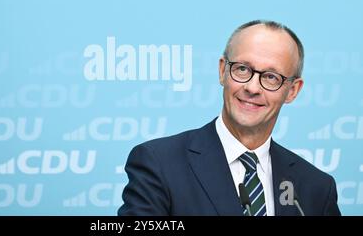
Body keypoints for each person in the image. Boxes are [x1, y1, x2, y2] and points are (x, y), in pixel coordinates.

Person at [118, 20, 341, 216]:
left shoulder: (317, 188)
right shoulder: (159, 164)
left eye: (271, 77)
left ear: (292, 90)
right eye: (243, 69)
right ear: (222, 70)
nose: (253, 87)